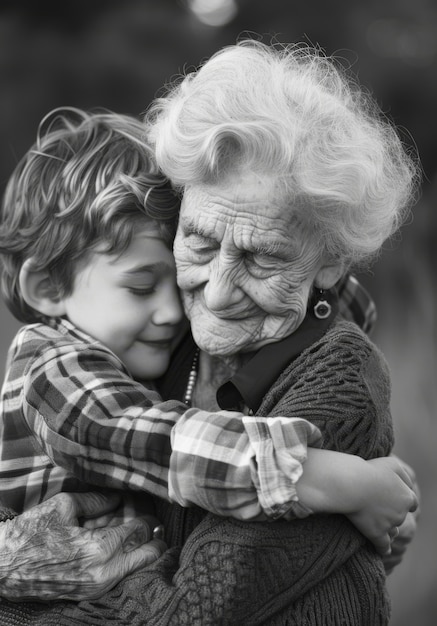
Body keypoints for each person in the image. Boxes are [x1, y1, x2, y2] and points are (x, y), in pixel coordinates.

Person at [0, 39, 419, 623]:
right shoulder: (100, 359)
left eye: (262, 257)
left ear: (332, 262)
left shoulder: (336, 373)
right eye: (197, 240)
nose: (213, 294)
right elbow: (143, 439)